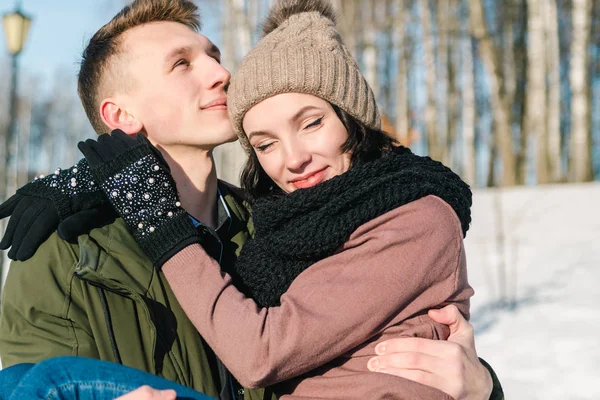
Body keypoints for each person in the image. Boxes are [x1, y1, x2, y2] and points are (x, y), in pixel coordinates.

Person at [0, 0, 501, 399]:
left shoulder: (276, 228)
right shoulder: (69, 250)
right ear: (121, 116)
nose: (220, 74)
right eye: (182, 64)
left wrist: (483, 386)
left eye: (214, 55)